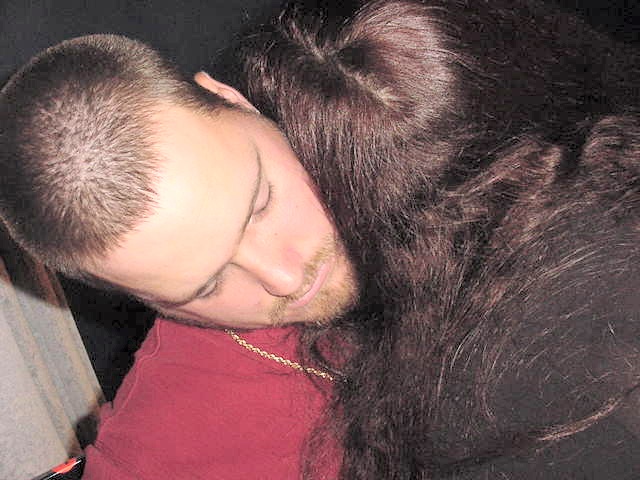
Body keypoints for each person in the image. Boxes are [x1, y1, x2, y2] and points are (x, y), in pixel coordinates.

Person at [1, 0, 639, 478]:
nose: (285, 276)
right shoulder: (169, 444)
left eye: (260, 204)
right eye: (206, 286)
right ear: (137, 299)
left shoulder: (424, 92)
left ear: (232, 100)